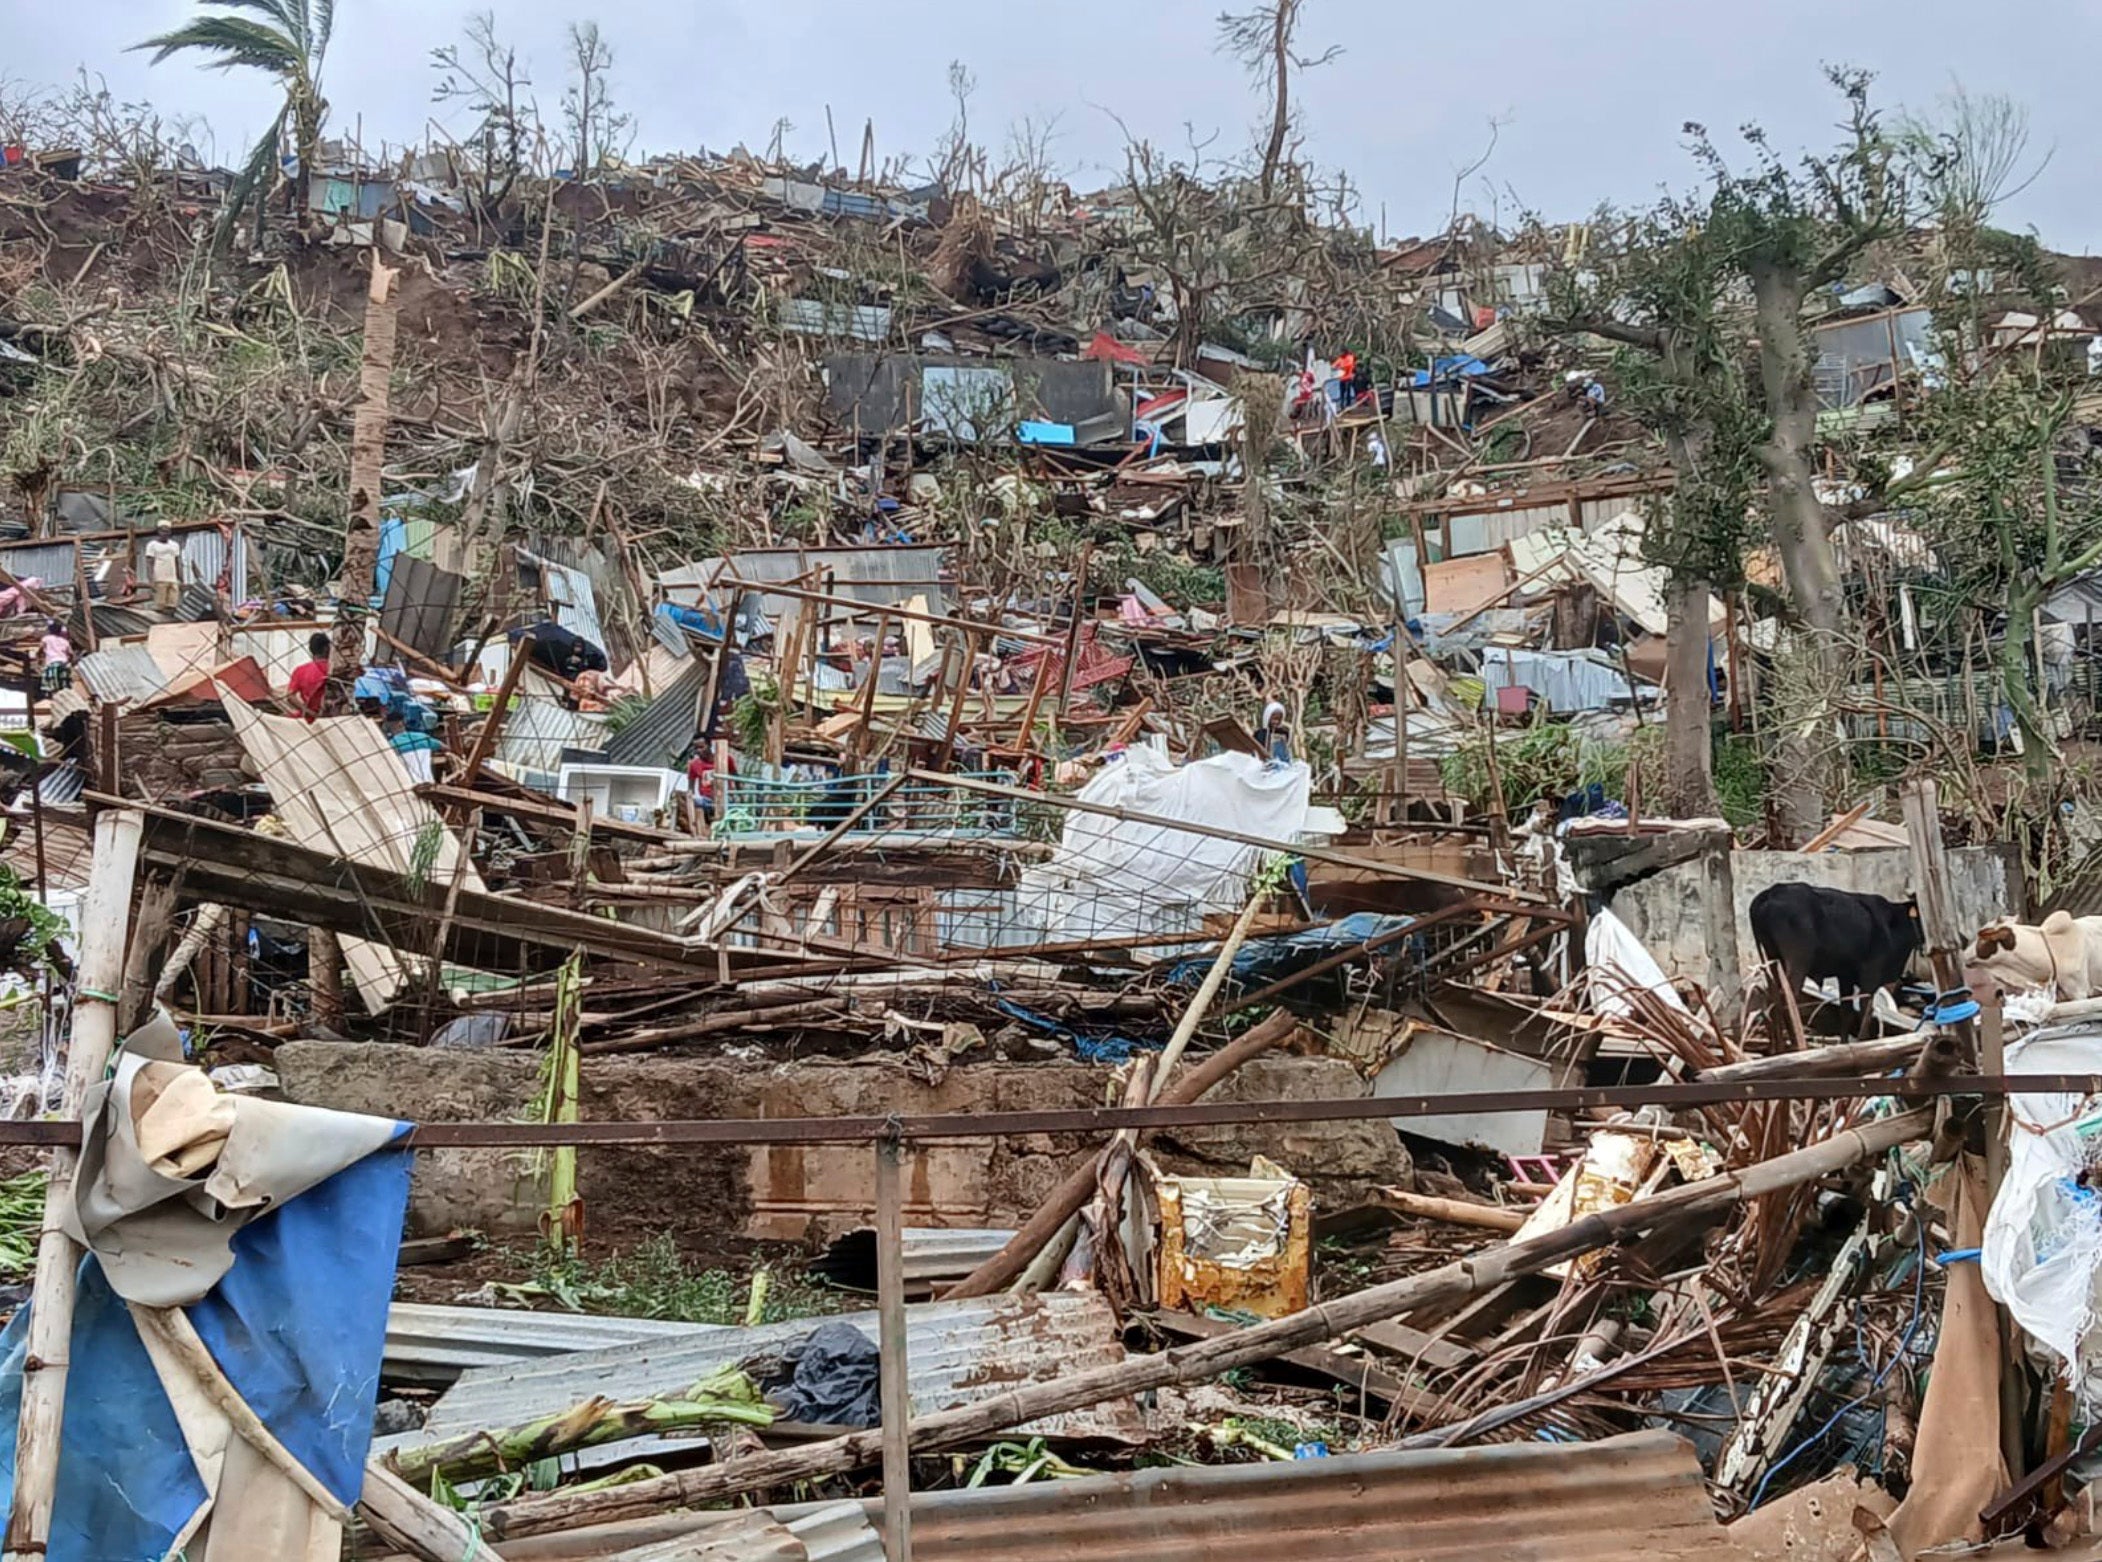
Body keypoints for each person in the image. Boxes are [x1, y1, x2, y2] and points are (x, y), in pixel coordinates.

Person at [287, 631, 331, 721]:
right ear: (327, 648)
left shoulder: (300, 671)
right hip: (333, 716)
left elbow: (290, 697)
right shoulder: (336, 670)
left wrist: (308, 712)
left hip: (309, 719)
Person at [143, 523, 184, 612]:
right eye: (162, 531)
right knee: (160, 605)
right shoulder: (152, 545)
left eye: (167, 531)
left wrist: (180, 577)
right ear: (158, 532)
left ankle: (170, 623)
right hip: (159, 578)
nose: (165, 533)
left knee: (172, 605)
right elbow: (149, 563)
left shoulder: (174, 545)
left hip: (173, 579)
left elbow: (177, 561)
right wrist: (151, 580)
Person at [38, 620, 69, 696]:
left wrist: (38, 655)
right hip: (63, 663)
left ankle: (52, 696)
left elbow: (40, 648)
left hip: (52, 663)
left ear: (50, 629)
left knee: (51, 684)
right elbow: (70, 653)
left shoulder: (46, 638)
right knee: (63, 684)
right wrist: (69, 661)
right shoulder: (65, 641)